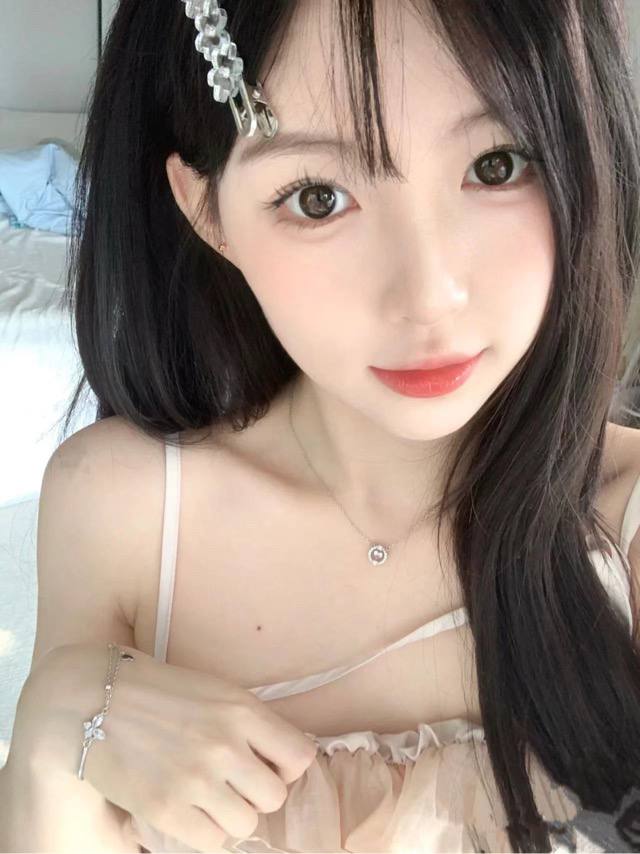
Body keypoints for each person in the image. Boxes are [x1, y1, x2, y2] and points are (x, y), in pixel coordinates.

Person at [5, 0, 640, 851]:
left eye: (496, 165)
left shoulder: (623, 521)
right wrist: (57, 726)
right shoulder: (124, 511)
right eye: (318, 197)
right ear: (207, 211)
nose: (428, 297)